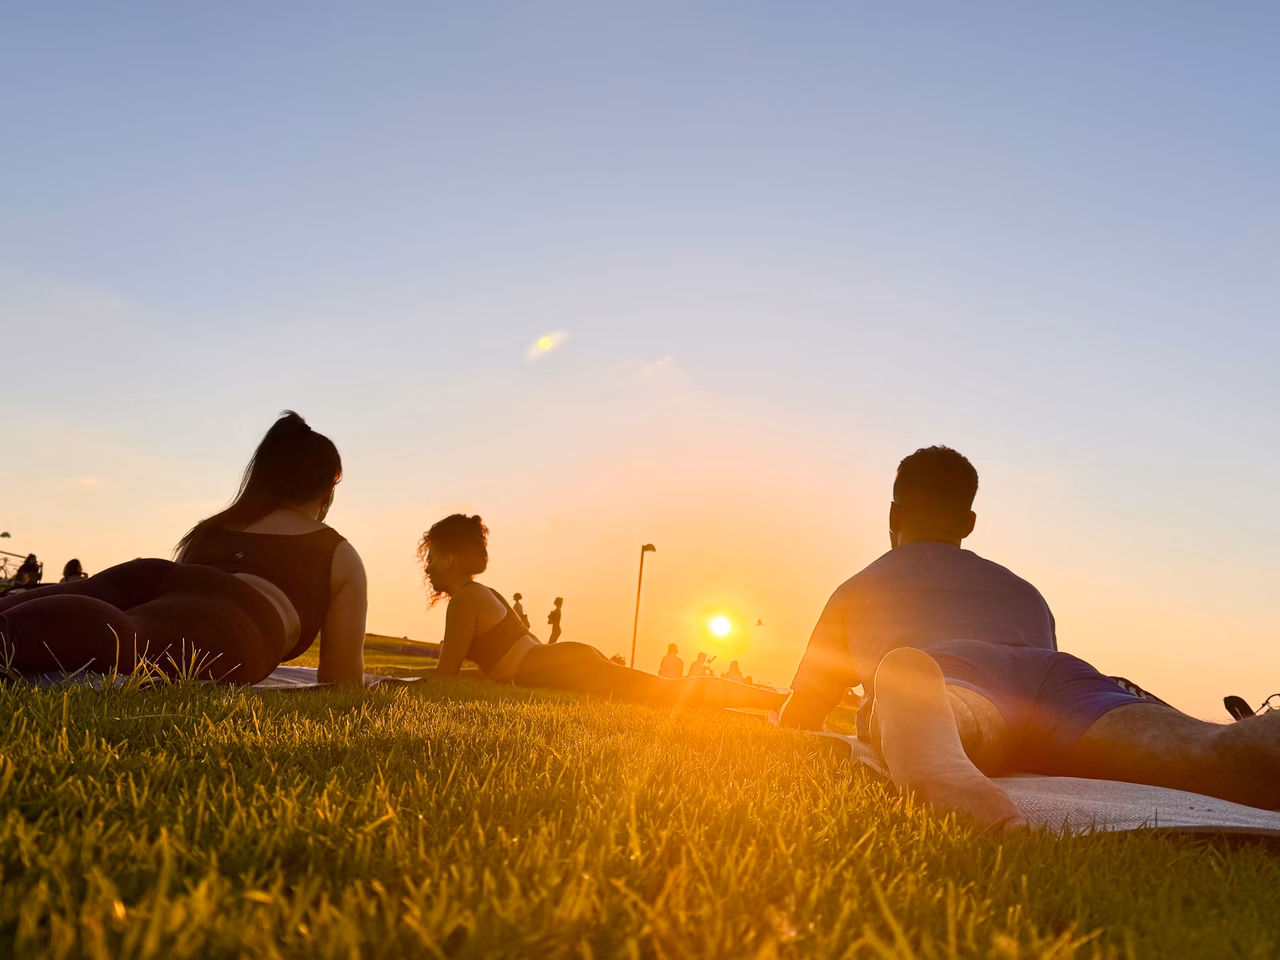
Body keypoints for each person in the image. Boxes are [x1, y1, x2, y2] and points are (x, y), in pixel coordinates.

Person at [781, 445, 1280, 827]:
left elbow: (803, 712)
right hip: (1065, 680)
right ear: (970, 523)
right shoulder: (1023, 590)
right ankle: (1262, 738)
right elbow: (1038, 694)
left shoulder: (859, 589)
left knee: (968, 717)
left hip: (946, 668)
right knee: (1204, 749)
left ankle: (926, 714)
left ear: (892, 517)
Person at [0, 412, 367, 685]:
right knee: (132, 637)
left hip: (155, 574)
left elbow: (171, 600)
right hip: (238, 619)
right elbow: (340, 679)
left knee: (87, 601)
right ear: (326, 488)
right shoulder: (336, 552)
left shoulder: (211, 529)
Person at [417, 514, 784, 710]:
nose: (428, 568)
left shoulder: (465, 600)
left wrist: (377, 678)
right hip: (562, 660)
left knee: (668, 692)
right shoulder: (482, 593)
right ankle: (773, 700)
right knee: (665, 693)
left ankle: (779, 700)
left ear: (450, 557)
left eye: (431, 558)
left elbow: (444, 678)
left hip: (561, 665)